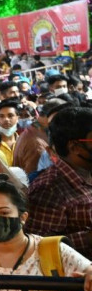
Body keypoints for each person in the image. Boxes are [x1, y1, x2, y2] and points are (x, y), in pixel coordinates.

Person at [26, 107, 92, 258]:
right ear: (75, 147)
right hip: (77, 277)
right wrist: (88, 238)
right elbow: (38, 248)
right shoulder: (48, 189)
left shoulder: (87, 171)